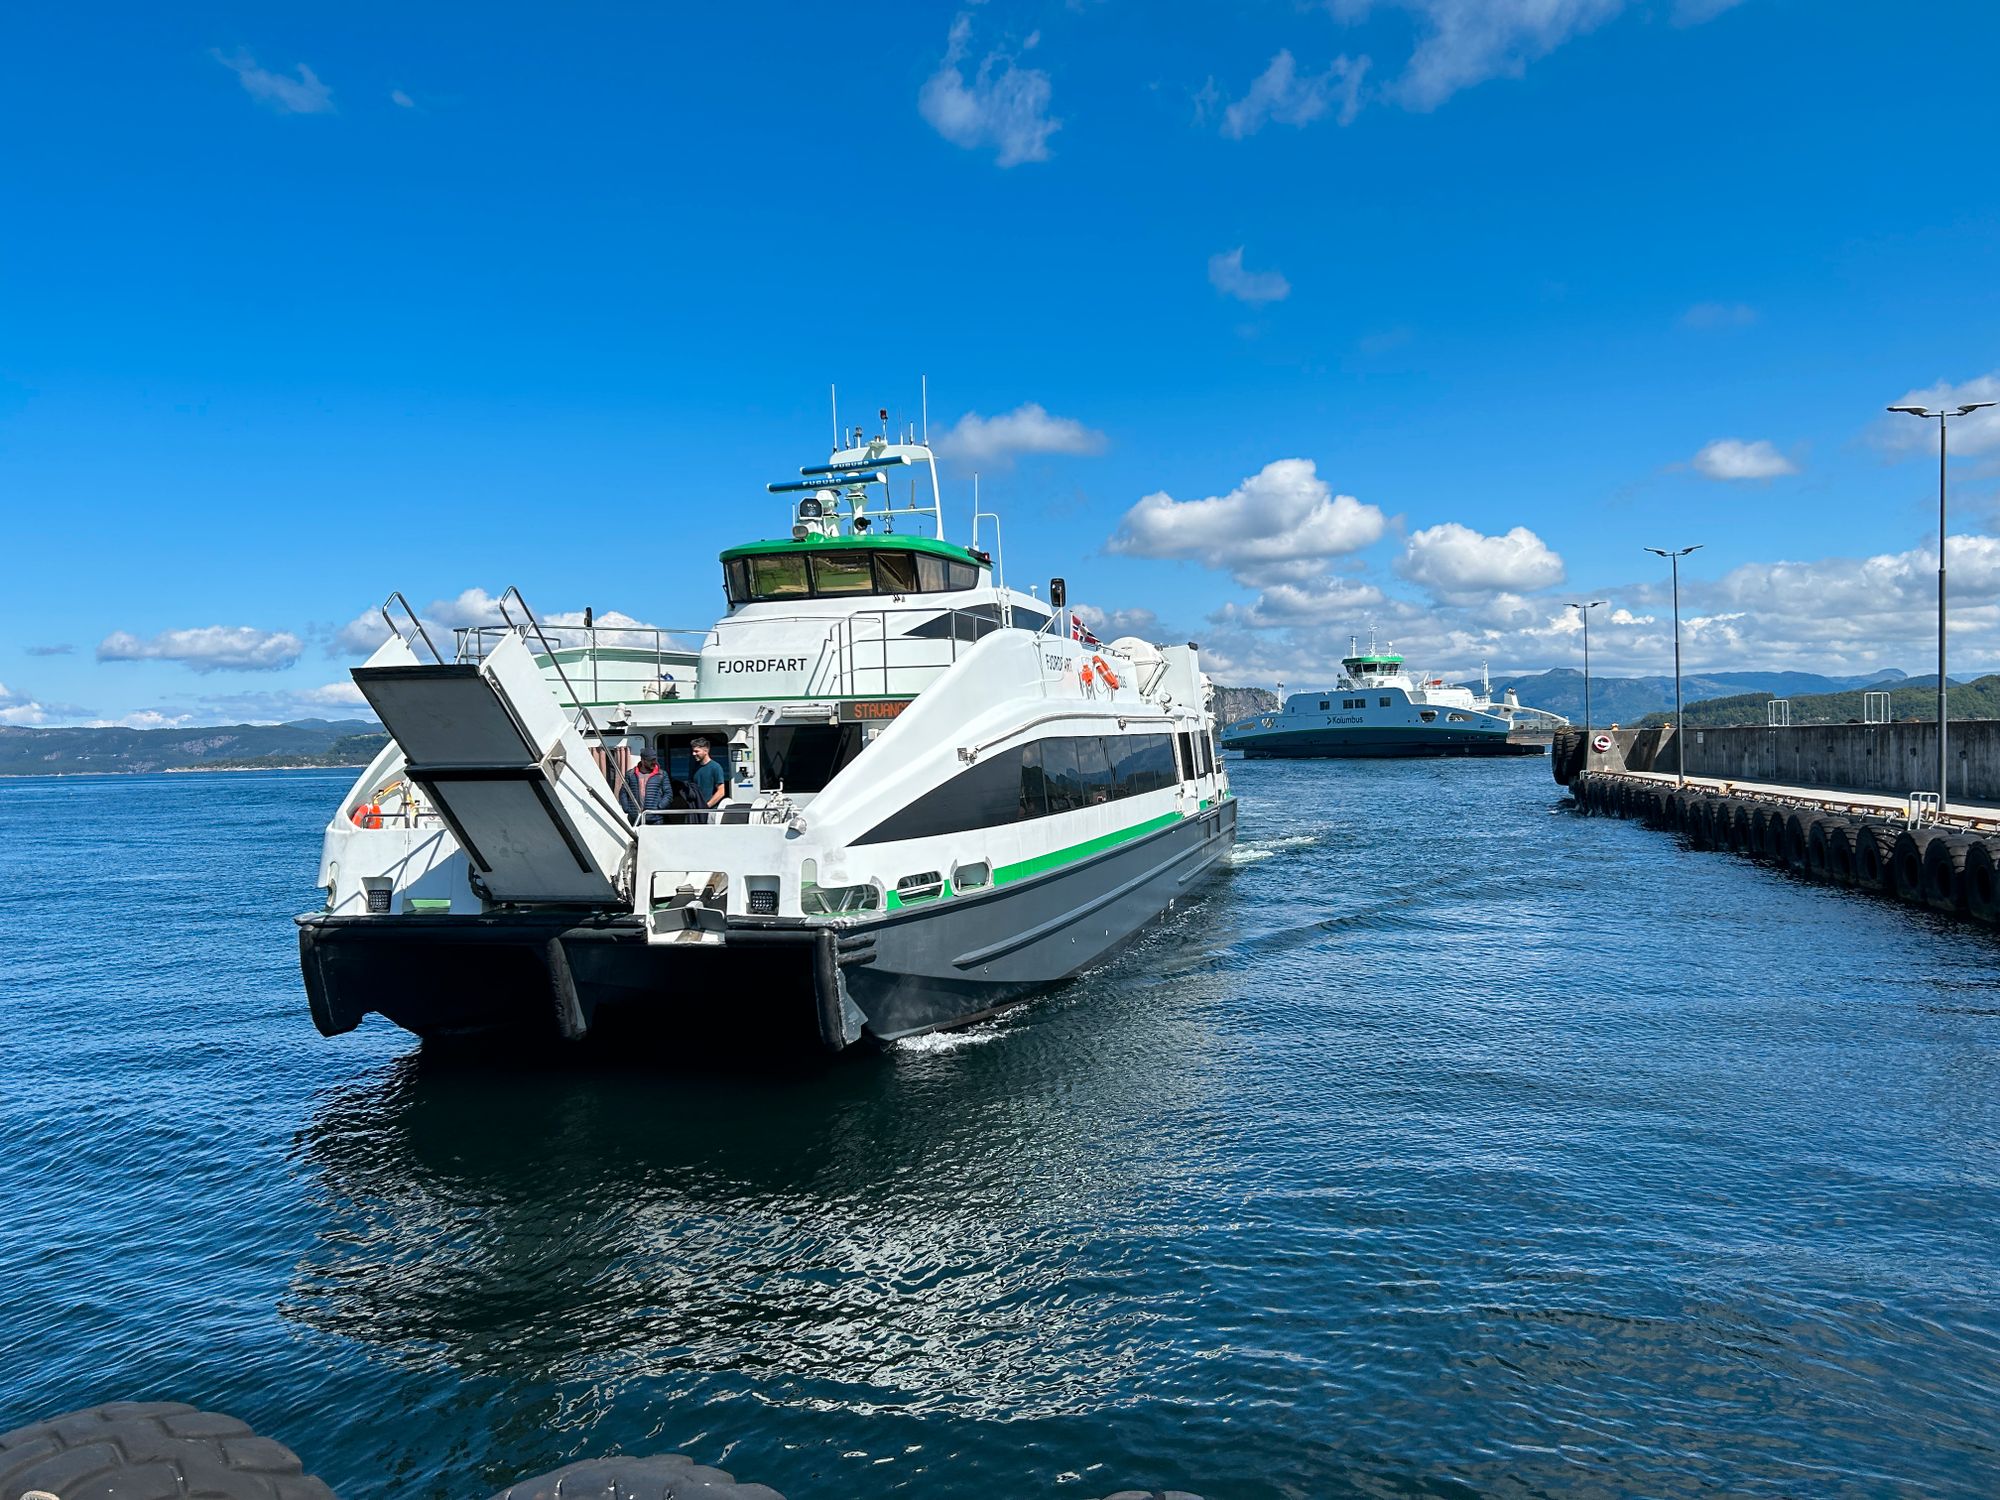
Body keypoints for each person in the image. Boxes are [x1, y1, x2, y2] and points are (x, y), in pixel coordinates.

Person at [689, 736, 730, 822]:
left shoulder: (715, 767)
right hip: (695, 811)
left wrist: (706, 806)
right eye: (693, 751)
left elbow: (721, 792)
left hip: (710, 811)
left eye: (696, 751)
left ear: (706, 751)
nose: (693, 754)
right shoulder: (694, 767)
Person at [620, 751, 665, 823]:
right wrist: (627, 808)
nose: (654, 762)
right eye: (651, 760)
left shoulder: (661, 774)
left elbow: (668, 793)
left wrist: (660, 806)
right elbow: (623, 792)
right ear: (643, 761)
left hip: (655, 818)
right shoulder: (631, 774)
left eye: (655, 760)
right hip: (635, 817)